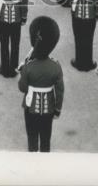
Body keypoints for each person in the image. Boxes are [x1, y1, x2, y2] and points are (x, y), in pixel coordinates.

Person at [17, 15, 63, 152]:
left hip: (30, 108)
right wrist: (57, 109)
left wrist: (22, 72)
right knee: (45, 140)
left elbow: (22, 87)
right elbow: (60, 91)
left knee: (32, 139)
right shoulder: (56, 66)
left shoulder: (29, 66)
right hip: (48, 109)